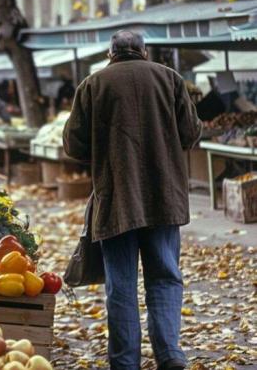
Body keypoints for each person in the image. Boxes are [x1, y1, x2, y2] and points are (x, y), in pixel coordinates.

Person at [63, 30, 201, 370]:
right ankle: (170, 354)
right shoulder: (169, 79)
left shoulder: (93, 85)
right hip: (163, 197)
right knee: (165, 276)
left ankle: (125, 362)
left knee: (120, 285)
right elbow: (191, 132)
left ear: (111, 54)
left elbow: (74, 145)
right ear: (144, 51)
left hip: (116, 199)